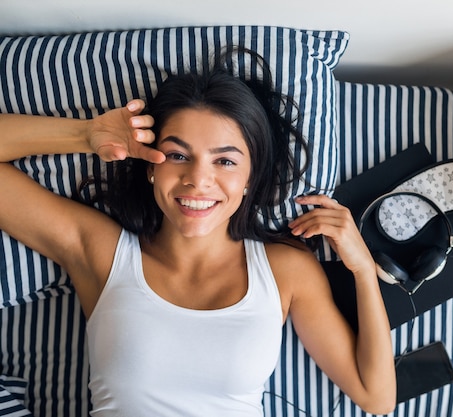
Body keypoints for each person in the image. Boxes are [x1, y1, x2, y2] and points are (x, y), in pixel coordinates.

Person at [0, 51, 396, 416]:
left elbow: (376, 396)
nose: (198, 181)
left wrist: (362, 268)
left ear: (249, 178)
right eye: (177, 155)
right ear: (151, 166)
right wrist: (86, 136)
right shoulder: (102, 254)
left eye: (224, 160)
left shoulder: (285, 272)